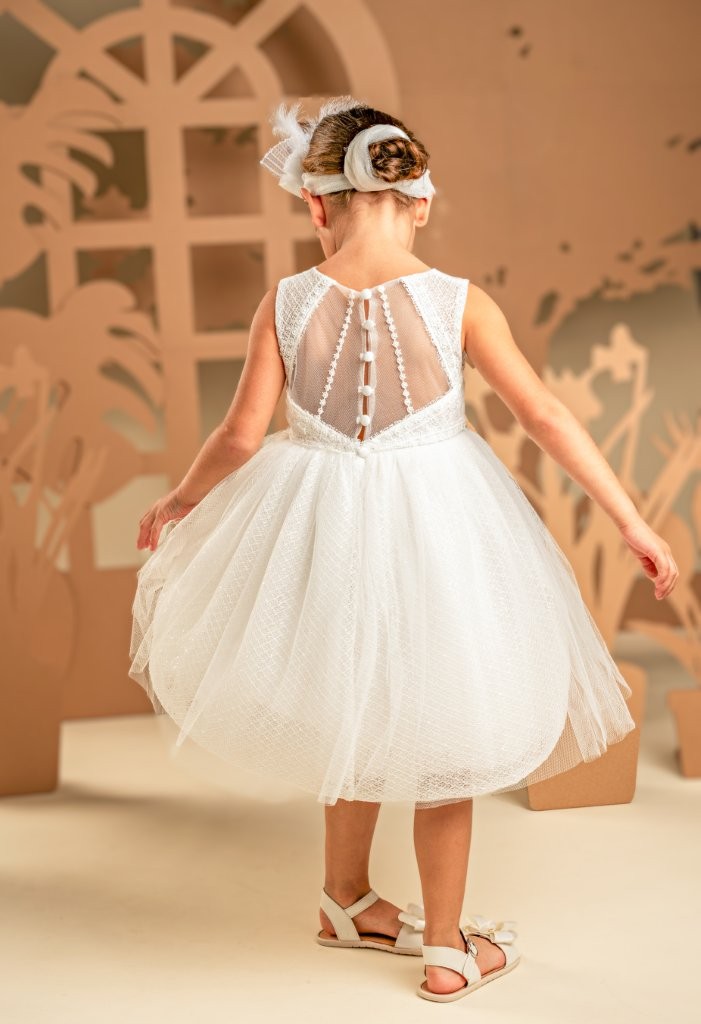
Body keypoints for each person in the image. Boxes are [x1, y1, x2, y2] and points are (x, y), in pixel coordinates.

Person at [129, 95, 678, 1002]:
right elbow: (543, 416)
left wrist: (180, 500)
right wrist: (630, 519)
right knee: (442, 731)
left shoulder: (286, 300)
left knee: (346, 698)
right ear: (419, 201)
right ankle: (448, 950)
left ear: (316, 203)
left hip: (318, 526)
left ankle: (344, 900)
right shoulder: (458, 302)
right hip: (437, 528)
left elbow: (239, 436)